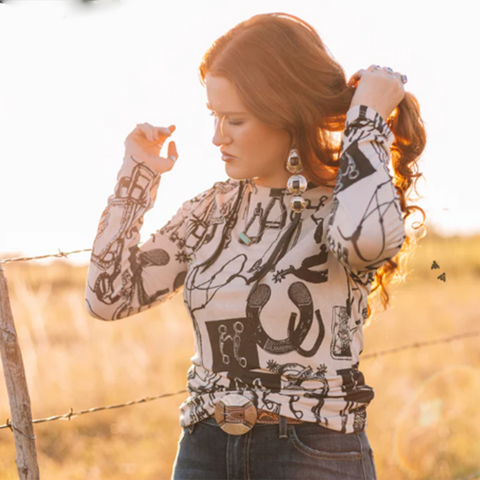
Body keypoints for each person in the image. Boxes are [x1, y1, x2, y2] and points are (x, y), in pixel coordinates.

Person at [85, 12, 426, 480]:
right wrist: (136, 176)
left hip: (311, 451)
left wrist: (365, 117)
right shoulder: (213, 210)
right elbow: (108, 297)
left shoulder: (344, 205)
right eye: (214, 116)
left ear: (284, 114)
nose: (216, 137)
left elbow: (365, 241)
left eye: (235, 120)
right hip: (203, 451)